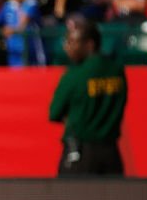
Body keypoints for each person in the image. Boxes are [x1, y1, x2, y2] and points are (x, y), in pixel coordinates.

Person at [49, 16, 127, 176]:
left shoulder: (74, 75)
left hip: (81, 153)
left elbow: (54, 113)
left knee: (71, 199)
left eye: (72, 42)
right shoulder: (117, 71)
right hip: (111, 153)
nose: (67, 47)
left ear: (90, 44)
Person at [0, 0, 47, 67]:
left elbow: (24, 20)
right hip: (14, 54)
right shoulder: (9, 5)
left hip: (32, 55)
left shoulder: (31, 2)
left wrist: (13, 30)